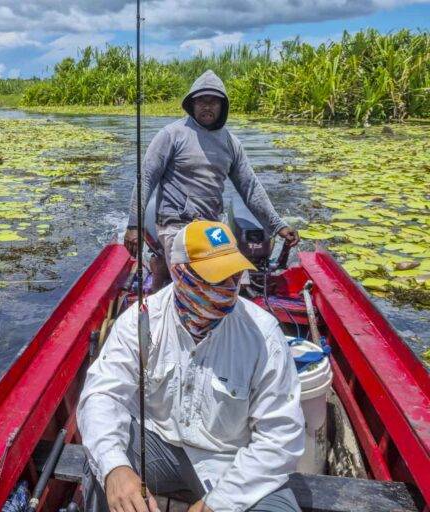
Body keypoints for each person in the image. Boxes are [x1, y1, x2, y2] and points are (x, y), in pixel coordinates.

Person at [79, 220, 305, 512]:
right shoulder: (141, 319)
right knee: (102, 466)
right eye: (214, 278)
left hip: (232, 461)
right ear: (179, 273)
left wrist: (220, 503)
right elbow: (103, 394)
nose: (228, 288)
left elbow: (280, 436)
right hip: (157, 445)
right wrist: (115, 469)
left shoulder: (264, 334)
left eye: (234, 275)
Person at [124, 70, 299, 282]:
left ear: (222, 106)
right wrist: (134, 225)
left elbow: (250, 188)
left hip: (210, 227)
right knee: (193, 281)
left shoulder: (231, 143)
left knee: (235, 277)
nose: (207, 106)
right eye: (201, 101)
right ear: (192, 104)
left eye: (213, 101)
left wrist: (278, 225)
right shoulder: (171, 135)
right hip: (176, 225)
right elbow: (146, 178)